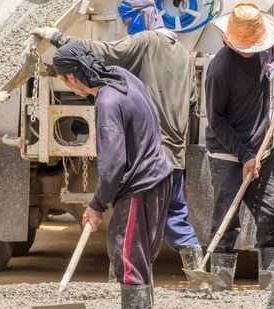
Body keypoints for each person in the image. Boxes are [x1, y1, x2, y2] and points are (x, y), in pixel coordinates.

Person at [32, 1, 205, 283]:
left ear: (141, 18)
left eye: (127, 23)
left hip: (147, 154)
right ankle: (198, 279)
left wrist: (57, 38)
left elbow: (103, 53)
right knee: (174, 216)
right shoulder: (184, 56)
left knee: (128, 228)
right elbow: (192, 103)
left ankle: (121, 291)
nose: (128, 30)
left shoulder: (147, 40)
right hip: (174, 153)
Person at [52, 42, 173, 309]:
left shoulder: (106, 103)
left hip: (139, 184)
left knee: (127, 254)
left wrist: (96, 204)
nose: (68, 86)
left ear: (72, 78)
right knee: (140, 254)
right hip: (159, 175)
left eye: (64, 80)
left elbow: (113, 165)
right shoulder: (121, 75)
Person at [205, 4, 274, 292]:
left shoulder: (264, 49)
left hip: (262, 149)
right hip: (227, 152)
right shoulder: (219, 69)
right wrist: (244, 155)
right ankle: (220, 289)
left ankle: (270, 291)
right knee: (227, 221)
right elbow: (216, 121)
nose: (253, 49)